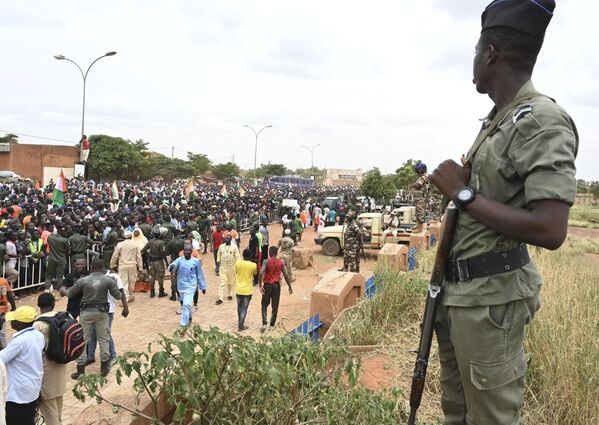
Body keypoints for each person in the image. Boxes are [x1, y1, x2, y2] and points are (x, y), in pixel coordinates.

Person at [429, 1, 578, 423]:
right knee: (456, 412)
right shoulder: (500, 120)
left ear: (491, 52)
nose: (472, 64)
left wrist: (462, 195)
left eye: (476, 52)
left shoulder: (541, 120)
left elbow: (551, 229)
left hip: (491, 303)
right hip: (462, 297)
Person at [68, 259, 128, 378]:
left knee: (83, 340)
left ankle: (80, 370)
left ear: (91, 267)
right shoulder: (108, 280)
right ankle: (104, 367)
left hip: (86, 313)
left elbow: (70, 293)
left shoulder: (83, 280)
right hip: (102, 313)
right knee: (103, 339)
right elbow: (117, 296)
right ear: (102, 268)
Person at [0, 306, 44, 425]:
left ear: (20, 324)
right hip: (32, 389)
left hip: (18, 394)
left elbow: (1, 360)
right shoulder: (38, 335)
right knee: (28, 420)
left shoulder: (19, 341)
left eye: (14, 320)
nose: (11, 322)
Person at [33, 293, 67, 425]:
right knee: (58, 405)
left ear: (39, 306)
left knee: (49, 410)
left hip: (46, 370)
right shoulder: (63, 317)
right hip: (60, 366)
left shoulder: (38, 325)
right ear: (53, 304)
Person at [85, 267, 128, 366]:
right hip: (94, 308)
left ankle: (113, 356)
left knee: (105, 333)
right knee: (92, 332)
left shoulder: (114, 276)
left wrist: (125, 307)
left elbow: (121, 292)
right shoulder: (93, 276)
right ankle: (90, 356)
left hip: (108, 310)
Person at [168, 244, 207, 327]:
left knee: (186, 304)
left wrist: (202, 287)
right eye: (185, 250)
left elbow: (200, 274)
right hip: (181, 286)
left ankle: (183, 324)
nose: (186, 252)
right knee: (187, 304)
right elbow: (172, 265)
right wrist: (172, 266)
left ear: (191, 252)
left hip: (191, 286)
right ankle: (189, 317)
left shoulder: (195, 262)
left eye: (188, 251)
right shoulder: (179, 260)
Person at [258, 246, 292, 332]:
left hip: (267, 285)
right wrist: (289, 286)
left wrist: (260, 285)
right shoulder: (281, 262)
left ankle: (265, 323)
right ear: (276, 253)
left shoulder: (266, 261)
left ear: (269, 253)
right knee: (275, 306)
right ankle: (272, 325)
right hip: (276, 286)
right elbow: (285, 275)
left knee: (264, 305)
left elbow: (261, 272)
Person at [110, 230, 143, 302]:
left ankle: (126, 298)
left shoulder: (120, 244)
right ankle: (130, 295)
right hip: (133, 265)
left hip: (122, 265)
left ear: (123, 236)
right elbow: (139, 257)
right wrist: (140, 267)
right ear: (131, 236)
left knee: (124, 282)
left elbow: (115, 256)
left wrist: (112, 265)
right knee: (132, 281)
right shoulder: (135, 244)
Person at [234, 249, 257, 331]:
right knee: (244, 307)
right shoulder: (253, 265)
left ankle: (240, 321)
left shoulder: (237, 263)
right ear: (250, 256)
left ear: (243, 255)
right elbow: (254, 274)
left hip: (238, 289)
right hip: (247, 290)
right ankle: (241, 324)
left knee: (239, 307)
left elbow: (236, 272)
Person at [142, 229, 169, 299]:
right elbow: (163, 253)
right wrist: (166, 262)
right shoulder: (161, 242)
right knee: (160, 276)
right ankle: (161, 291)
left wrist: (148, 254)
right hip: (159, 261)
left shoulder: (150, 242)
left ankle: (152, 292)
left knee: (152, 276)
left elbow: (144, 249)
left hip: (151, 261)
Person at [216, 234, 240, 305]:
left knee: (230, 282)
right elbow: (218, 255)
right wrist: (218, 261)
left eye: (228, 239)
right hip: (223, 267)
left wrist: (238, 266)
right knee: (222, 282)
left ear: (231, 239)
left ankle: (229, 294)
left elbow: (237, 256)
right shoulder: (221, 247)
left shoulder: (234, 247)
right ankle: (220, 298)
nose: (226, 240)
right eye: (225, 239)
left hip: (231, 267)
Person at [411, 162, 430, 233]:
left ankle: (420, 228)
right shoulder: (422, 176)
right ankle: (417, 225)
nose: (417, 172)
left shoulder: (424, 176)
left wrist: (414, 185)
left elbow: (417, 185)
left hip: (421, 198)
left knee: (420, 212)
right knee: (417, 213)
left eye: (418, 170)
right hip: (418, 198)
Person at [0, 276, 17, 349]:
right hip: (1, 310)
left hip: (1, 310)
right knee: (2, 331)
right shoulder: (3, 281)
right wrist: (13, 307)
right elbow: (9, 295)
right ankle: (4, 349)